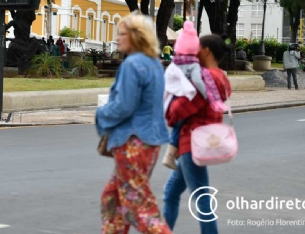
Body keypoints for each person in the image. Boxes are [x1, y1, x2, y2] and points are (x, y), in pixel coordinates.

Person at [95, 13, 172, 234]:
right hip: (150, 142)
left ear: (136, 36)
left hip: (133, 143)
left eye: (122, 34)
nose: (117, 38)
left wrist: (100, 114)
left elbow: (123, 106)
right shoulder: (154, 64)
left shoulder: (132, 64)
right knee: (113, 201)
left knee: (141, 209)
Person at [163, 34, 232, 234]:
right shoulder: (220, 77)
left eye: (197, 48)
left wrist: (169, 112)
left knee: (202, 201)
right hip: (197, 141)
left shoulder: (206, 79)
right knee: (171, 194)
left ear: (206, 51)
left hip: (191, 142)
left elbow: (182, 108)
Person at [162, 21, 225, 170]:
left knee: (177, 126)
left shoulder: (174, 63)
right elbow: (197, 81)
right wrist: (207, 95)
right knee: (181, 125)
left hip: (171, 99)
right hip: (184, 101)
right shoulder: (194, 65)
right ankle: (171, 154)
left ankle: (173, 153)